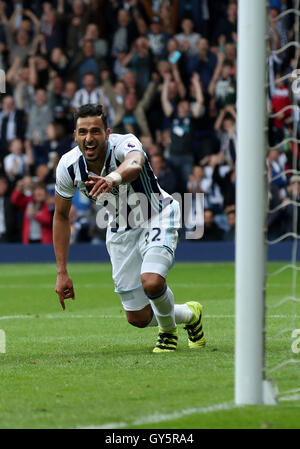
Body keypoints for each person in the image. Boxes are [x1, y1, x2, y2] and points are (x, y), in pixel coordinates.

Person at [53, 103, 206, 353]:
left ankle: (167, 334)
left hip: (157, 215)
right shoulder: (68, 167)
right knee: (137, 318)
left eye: (95, 131)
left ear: (107, 132)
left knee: (152, 281)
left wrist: (112, 177)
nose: (89, 138)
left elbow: (136, 163)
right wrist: (62, 272)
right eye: (82, 132)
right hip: (120, 230)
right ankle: (191, 314)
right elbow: (60, 216)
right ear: (75, 135)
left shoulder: (125, 144)